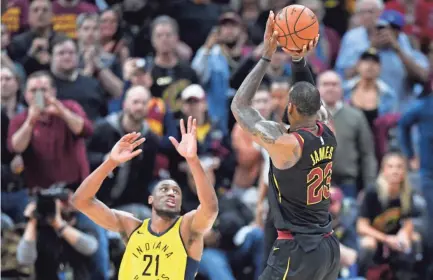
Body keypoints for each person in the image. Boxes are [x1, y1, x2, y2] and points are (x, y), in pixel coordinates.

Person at [230, 11, 340, 279]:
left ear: (290, 107)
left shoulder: (287, 145)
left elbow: (239, 106)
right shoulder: (328, 132)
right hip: (328, 247)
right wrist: (298, 58)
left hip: (298, 249)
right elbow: (309, 95)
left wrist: (266, 55)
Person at [72, 116, 219, 279]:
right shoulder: (131, 227)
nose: (171, 193)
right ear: (151, 200)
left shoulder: (187, 229)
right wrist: (110, 162)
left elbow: (210, 209)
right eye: (164, 189)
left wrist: (192, 159)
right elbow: (81, 200)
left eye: (176, 192)